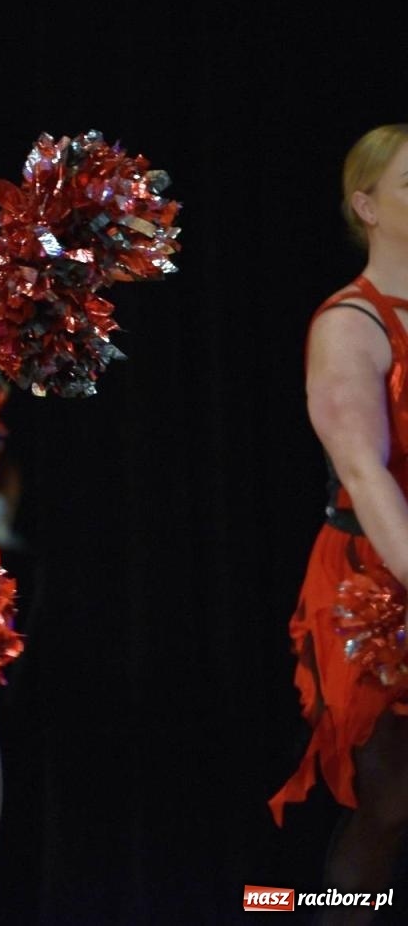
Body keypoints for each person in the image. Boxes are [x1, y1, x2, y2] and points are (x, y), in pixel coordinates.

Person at [270, 124, 408, 920]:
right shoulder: (350, 323)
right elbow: (365, 472)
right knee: (388, 801)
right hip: (373, 581)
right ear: (367, 207)